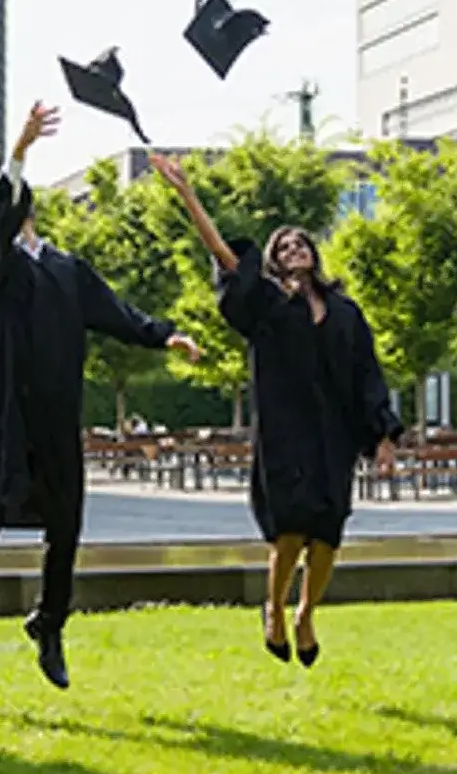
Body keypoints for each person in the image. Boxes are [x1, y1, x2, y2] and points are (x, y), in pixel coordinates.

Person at [0, 103, 200, 690]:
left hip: (56, 414)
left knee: (66, 522)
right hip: (6, 410)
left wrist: (166, 335)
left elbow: (117, 314)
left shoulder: (67, 270)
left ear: (24, 214)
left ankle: (49, 623)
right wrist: (20, 150)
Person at [150, 152, 401, 666]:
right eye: (284, 247)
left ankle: (306, 614)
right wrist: (188, 195)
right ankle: (274, 608)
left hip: (333, 432)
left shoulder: (346, 313)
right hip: (285, 430)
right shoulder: (264, 303)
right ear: (275, 260)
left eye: (301, 243)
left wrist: (384, 436)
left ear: (314, 253)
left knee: (328, 531)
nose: (294, 249)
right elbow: (223, 255)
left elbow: (368, 374)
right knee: (290, 528)